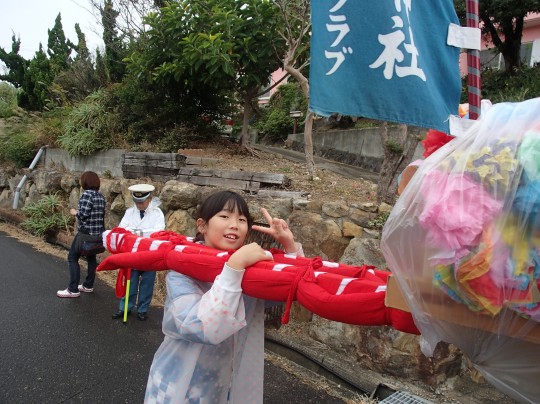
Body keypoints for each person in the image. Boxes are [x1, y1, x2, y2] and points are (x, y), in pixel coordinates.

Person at [145, 190, 303, 403]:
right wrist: (234, 268)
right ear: (202, 225)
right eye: (225, 216)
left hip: (224, 384)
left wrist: (289, 246)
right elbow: (200, 327)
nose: (234, 224)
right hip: (179, 387)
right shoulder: (182, 270)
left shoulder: (248, 269)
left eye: (241, 219)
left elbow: (284, 293)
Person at [112, 183, 165, 321]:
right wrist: (137, 233)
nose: (139, 205)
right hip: (132, 253)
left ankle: (142, 309)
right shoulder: (130, 212)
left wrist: (137, 233)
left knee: (147, 283)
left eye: (142, 202)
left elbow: (158, 232)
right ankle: (125, 308)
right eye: (137, 202)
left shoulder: (157, 213)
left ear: (149, 199)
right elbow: (122, 228)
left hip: (149, 254)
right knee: (131, 280)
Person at [57, 171, 106, 298]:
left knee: (72, 257)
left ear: (85, 182)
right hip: (97, 234)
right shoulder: (100, 196)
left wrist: (75, 212)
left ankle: (73, 289)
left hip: (85, 234)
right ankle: (88, 285)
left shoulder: (87, 195)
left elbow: (83, 214)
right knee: (91, 259)